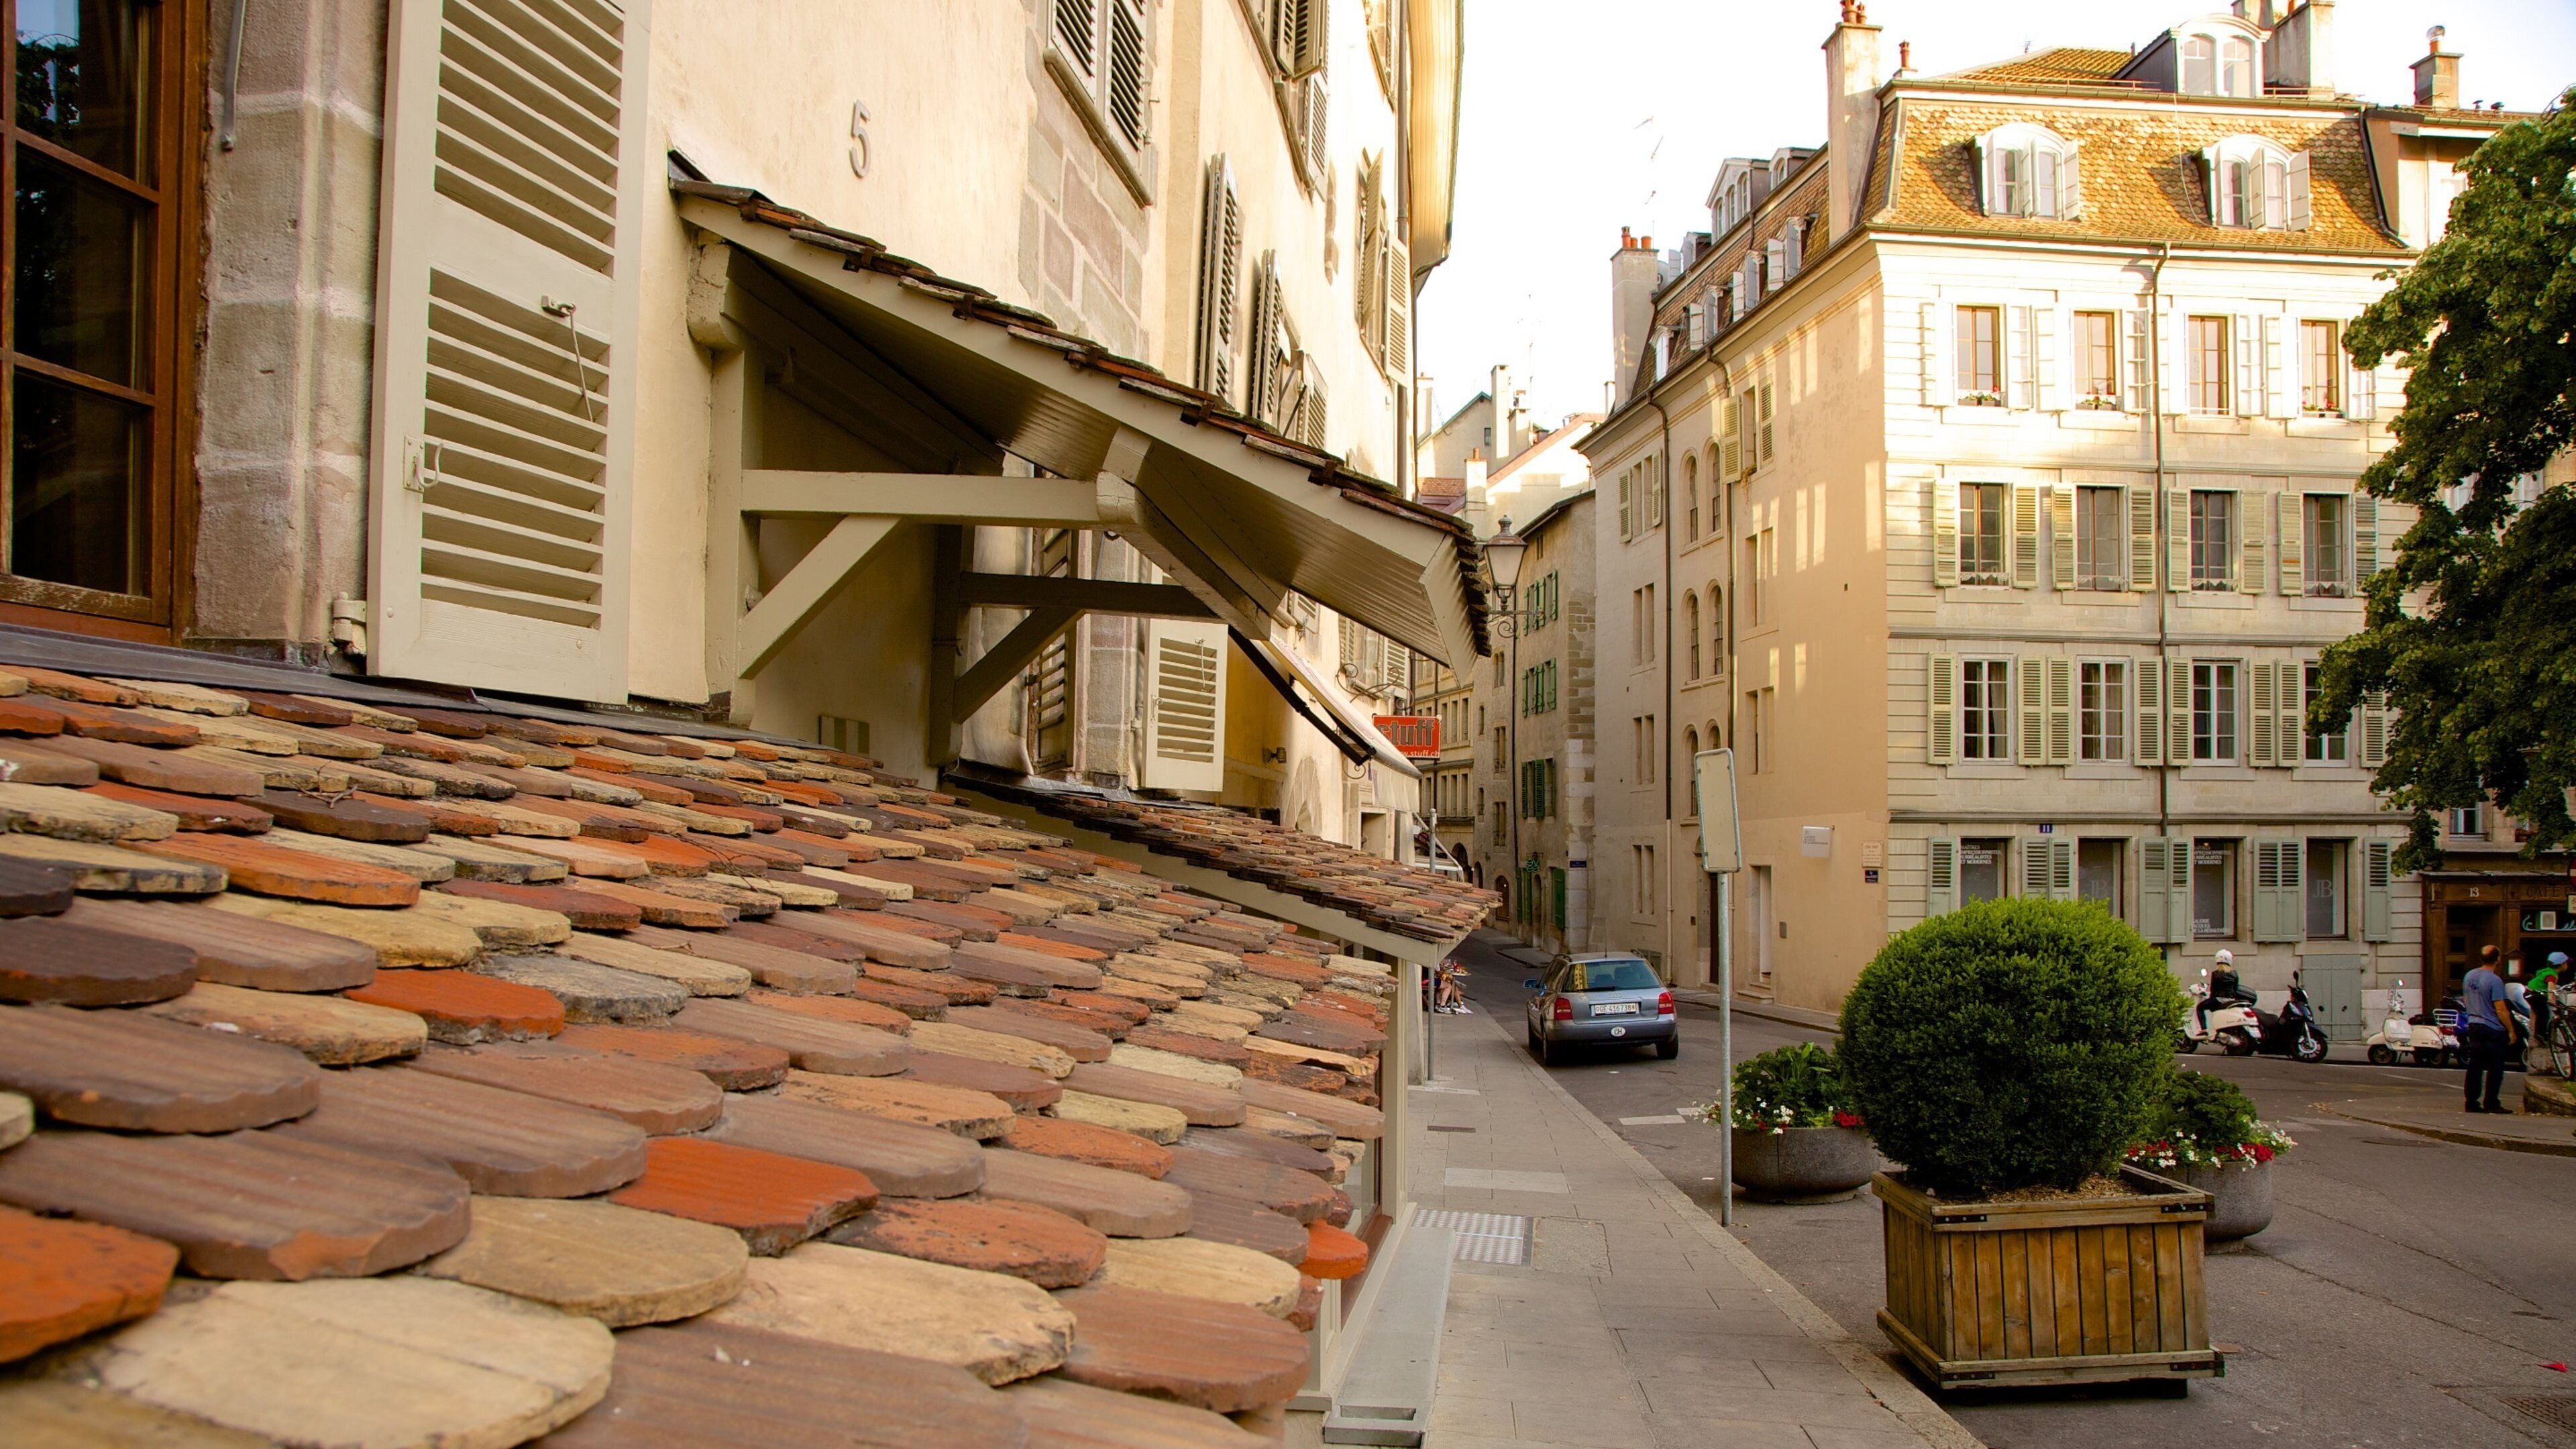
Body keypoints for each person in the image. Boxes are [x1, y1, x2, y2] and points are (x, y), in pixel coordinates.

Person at [2461, 944, 2516, 1113]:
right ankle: (2491, 1102)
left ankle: (2471, 1102)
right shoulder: (2495, 980)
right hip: (2492, 1026)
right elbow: (2500, 1008)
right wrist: (2511, 1030)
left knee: (2475, 1065)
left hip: (2474, 1023)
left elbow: (2465, 999)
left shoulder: (2469, 976)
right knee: (2495, 1067)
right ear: (2498, 959)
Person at [2198, 949, 2243, 1036]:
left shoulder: (2216, 974)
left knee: (2200, 1008)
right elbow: (2235, 988)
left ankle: (2204, 1030)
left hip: (2219, 999)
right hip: (2231, 1000)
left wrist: (2211, 1000)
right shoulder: (2235, 973)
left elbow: (2213, 989)